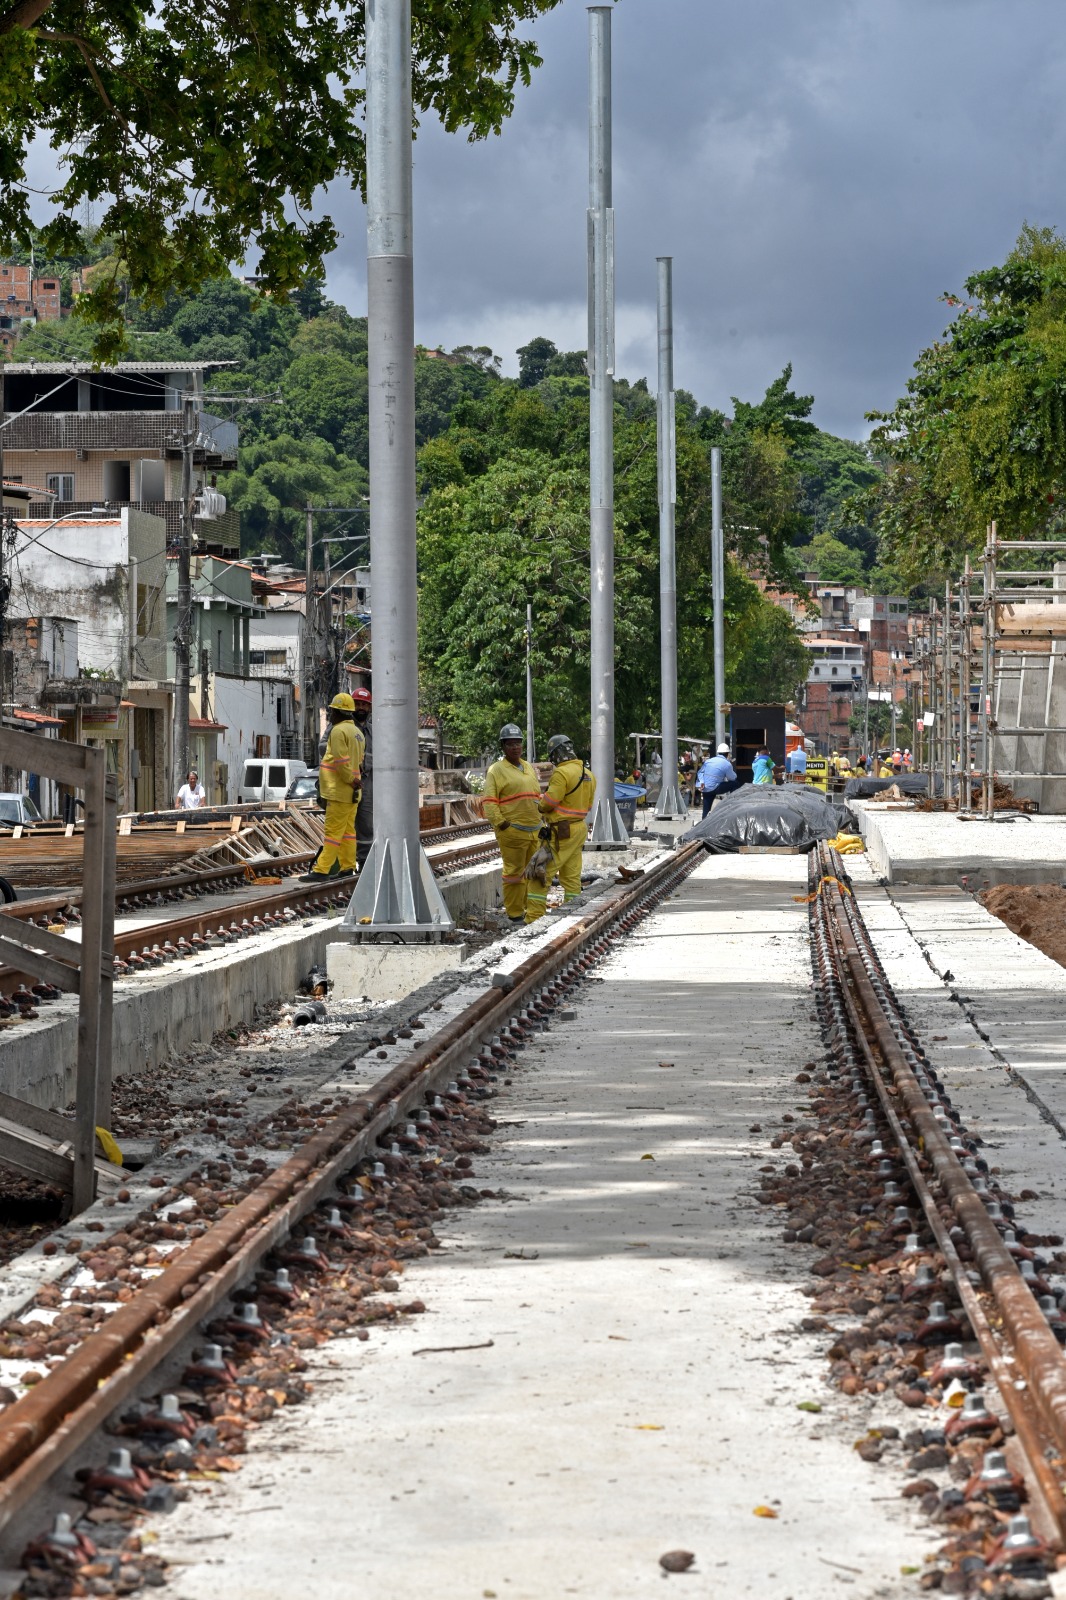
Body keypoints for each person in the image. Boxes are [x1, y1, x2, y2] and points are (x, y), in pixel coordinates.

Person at [533, 733, 596, 921]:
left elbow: (550, 802)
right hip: (578, 829)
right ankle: (572, 913)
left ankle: (534, 918)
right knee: (571, 876)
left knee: (540, 873)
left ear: (556, 755)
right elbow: (589, 805)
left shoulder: (561, 773)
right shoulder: (588, 774)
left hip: (561, 831)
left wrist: (541, 803)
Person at [483, 723, 542, 925]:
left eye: (518, 743)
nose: (515, 747)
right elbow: (490, 802)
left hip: (534, 830)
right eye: (510, 744)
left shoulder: (528, 767)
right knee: (514, 874)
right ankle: (515, 913)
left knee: (532, 873)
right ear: (503, 747)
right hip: (513, 832)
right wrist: (502, 824)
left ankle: (529, 910)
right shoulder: (496, 771)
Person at [303, 692, 364, 880]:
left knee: (332, 833)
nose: (330, 714)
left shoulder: (338, 731)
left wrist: (349, 780)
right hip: (352, 792)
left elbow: (340, 760)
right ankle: (347, 867)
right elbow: (359, 761)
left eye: (332, 710)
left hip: (340, 790)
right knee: (348, 832)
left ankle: (322, 870)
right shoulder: (358, 733)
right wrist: (354, 782)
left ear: (339, 712)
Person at [349, 686, 374, 871]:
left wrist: (369, 760)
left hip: (367, 783)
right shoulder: (342, 727)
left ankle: (364, 861)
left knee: (366, 823)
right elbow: (324, 747)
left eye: (365, 704)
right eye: (357, 703)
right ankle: (345, 863)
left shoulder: (373, 731)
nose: (361, 708)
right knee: (346, 823)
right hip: (346, 782)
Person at [696, 743, 736, 818]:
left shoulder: (709, 761)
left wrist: (702, 782)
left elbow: (700, 772)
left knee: (706, 810)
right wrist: (730, 767)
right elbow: (732, 778)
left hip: (705, 788)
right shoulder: (727, 764)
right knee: (734, 784)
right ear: (727, 754)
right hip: (716, 788)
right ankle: (733, 803)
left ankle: (703, 824)